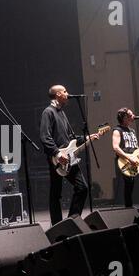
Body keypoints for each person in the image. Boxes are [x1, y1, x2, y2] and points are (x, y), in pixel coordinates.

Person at [39, 85, 99, 226]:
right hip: (57, 158)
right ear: (58, 94)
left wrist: (87, 137)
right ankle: (57, 226)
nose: (68, 94)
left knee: (82, 187)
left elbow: (70, 138)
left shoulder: (62, 113)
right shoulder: (48, 112)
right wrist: (57, 153)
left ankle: (72, 220)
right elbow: (44, 136)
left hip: (69, 156)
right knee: (56, 193)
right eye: (65, 91)